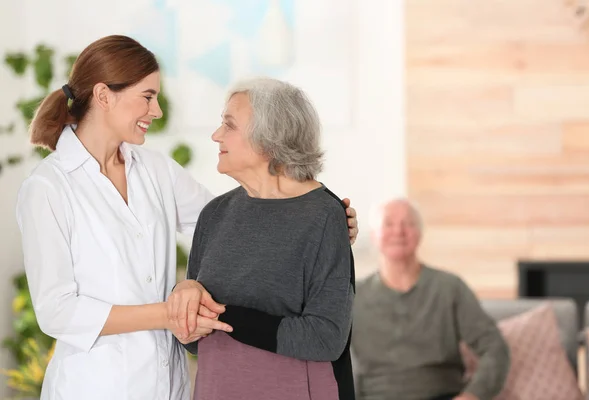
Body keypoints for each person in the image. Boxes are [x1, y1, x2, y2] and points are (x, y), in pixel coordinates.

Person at [15, 35, 359, 400]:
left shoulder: (155, 169)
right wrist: (171, 312)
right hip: (96, 386)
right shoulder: (48, 187)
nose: (157, 110)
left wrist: (323, 217)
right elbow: (57, 312)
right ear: (103, 96)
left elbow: (240, 219)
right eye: (147, 97)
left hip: (168, 384)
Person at [168, 77, 356, 400]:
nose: (216, 135)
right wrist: (185, 302)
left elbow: (326, 336)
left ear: (269, 139)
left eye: (229, 125)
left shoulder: (324, 216)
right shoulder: (214, 214)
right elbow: (192, 338)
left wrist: (223, 315)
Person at [351, 199, 510, 400]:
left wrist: (472, 395)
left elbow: (495, 347)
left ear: (419, 233)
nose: (399, 231)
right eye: (388, 224)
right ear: (374, 235)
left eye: (408, 223)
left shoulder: (450, 288)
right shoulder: (353, 295)